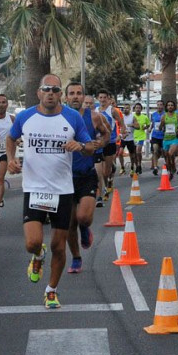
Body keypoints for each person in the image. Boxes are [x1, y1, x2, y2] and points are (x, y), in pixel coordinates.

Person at [7, 75, 98, 308]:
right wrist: (10, 160)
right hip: (34, 189)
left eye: (55, 89)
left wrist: (81, 146)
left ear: (60, 94)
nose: (50, 93)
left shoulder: (72, 118)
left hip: (62, 191)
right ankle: (37, 255)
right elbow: (11, 138)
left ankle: (51, 290)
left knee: (59, 246)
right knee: (32, 242)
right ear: (39, 92)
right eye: (46, 89)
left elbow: (90, 147)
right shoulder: (26, 116)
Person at [65, 87, 110, 273]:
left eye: (79, 93)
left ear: (83, 97)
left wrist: (102, 142)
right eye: (72, 94)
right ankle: (76, 257)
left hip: (86, 173)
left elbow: (106, 133)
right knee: (69, 224)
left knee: (83, 217)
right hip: (64, 177)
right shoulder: (58, 116)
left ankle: (85, 228)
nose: (76, 97)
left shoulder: (94, 116)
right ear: (65, 96)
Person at [0, 93, 15, 218]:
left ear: (7, 104)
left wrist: (17, 141)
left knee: (0, 179)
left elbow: (17, 135)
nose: (1, 105)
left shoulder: (11, 119)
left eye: (3, 102)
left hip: (5, 153)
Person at [157, 100, 178, 177]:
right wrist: (161, 125)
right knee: (167, 157)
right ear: (166, 107)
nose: (170, 106)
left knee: (170, 154)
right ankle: (172, 167)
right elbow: (160, 128)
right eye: (168, 105)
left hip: (174, 139)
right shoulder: (164, 116)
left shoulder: (177, 115)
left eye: (171, 105)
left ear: (174, 107)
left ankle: (170, 173)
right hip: (166, 139)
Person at [131, 103, 150, 174]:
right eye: (136, 108)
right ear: (134, 109)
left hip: (141, 136)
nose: (138, 109)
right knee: (134, 153)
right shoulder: (132, 116)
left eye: (139, 108)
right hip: (133, 136)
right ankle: (137, 166)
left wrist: (145, 127)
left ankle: (139, 164)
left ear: (141, 109)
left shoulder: (144, 117)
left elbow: (148, 124)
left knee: (138, 150)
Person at [120, 104, 137, 175]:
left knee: (132, 155)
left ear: (130, 109)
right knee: (120, 152)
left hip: (130, 138)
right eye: (124, 108)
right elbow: (118, 126)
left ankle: (132, 168)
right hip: (123, 138)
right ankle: (122, 167)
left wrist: (132, 125)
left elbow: (138, 126)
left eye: (127, 108)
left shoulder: (133, 116)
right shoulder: (121, 117)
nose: (125, 110)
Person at [150, 100, 165, 174]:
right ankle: (155, 167)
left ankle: (166, 164)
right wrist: (150, 128)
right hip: (155, 135)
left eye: (161, 105)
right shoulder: (153, 114)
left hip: (163, 136)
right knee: (155, 150)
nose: (159, 106)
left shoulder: (166, 114)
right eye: (158, 104)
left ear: (163, 106)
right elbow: (153, 123)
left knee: (163, 152)